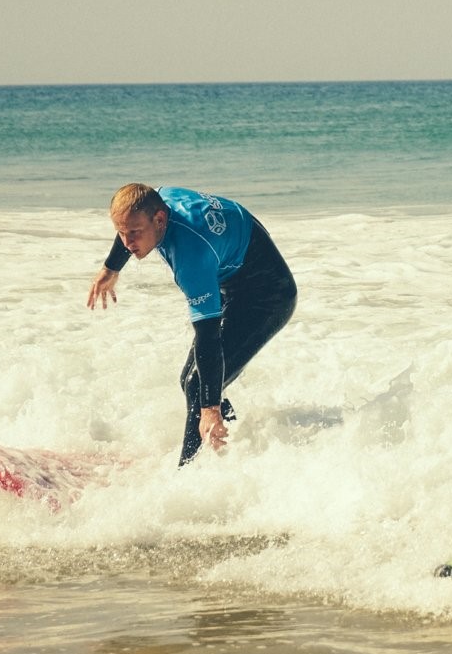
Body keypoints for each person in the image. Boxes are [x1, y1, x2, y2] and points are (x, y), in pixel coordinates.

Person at [86, 184, 297, 466]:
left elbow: (208, 337)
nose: (127, 242)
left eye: (134, 233)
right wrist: (111, 268)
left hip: (269, 295)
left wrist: (209, 408)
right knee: (192, 382)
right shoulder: (157, 199)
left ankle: (189, 472)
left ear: (160, 220)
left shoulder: (191, 257)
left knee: (198, 386)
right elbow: (132, 220)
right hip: (236, 260)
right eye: (121, 232)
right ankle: (236, 446)